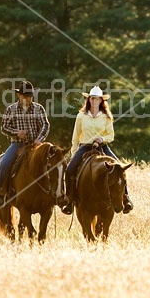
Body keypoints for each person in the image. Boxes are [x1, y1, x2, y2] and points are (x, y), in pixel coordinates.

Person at [61, 86, 133, 215]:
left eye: (97, 99)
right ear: (88, 100)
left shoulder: (106, 117)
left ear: (101, 101)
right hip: (85, 147)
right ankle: (70, 200)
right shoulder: (81, 116)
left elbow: (111, 136)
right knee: (70, 169)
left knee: (119, 169)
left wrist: (102, 138)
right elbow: (75, 136)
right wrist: (74, 152)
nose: (94, 101)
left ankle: (126, 198)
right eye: (92, 98)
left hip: (102, 146)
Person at [0, 80, 51, 208]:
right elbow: (4, 128)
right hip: (17, 145)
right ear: (19, 95)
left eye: (30, 96)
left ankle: (56, 194)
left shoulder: (38, 108)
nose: (28, 98)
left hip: (36, 145)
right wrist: (16, 133)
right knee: (5, 164)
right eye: (25, 96)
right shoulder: (11, 109)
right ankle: (1, 193)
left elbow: (45, 125)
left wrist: (39, 139)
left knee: (54, 162)